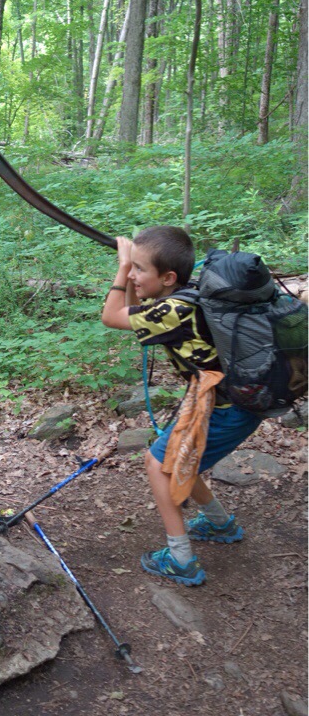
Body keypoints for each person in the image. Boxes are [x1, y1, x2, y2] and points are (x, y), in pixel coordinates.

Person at [101, 226, 262, 586]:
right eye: (132, 268)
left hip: (226, 410)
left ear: (168, 278)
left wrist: (122, 265)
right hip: (231, 403)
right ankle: (220, 524)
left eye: (140, 269)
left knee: (159, 465)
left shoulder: (174, 310)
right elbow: (132, 309)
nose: (132, 275)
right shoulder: (185, 297)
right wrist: (133, 270)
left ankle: (181, 559)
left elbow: (111, 316)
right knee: (180, 459)